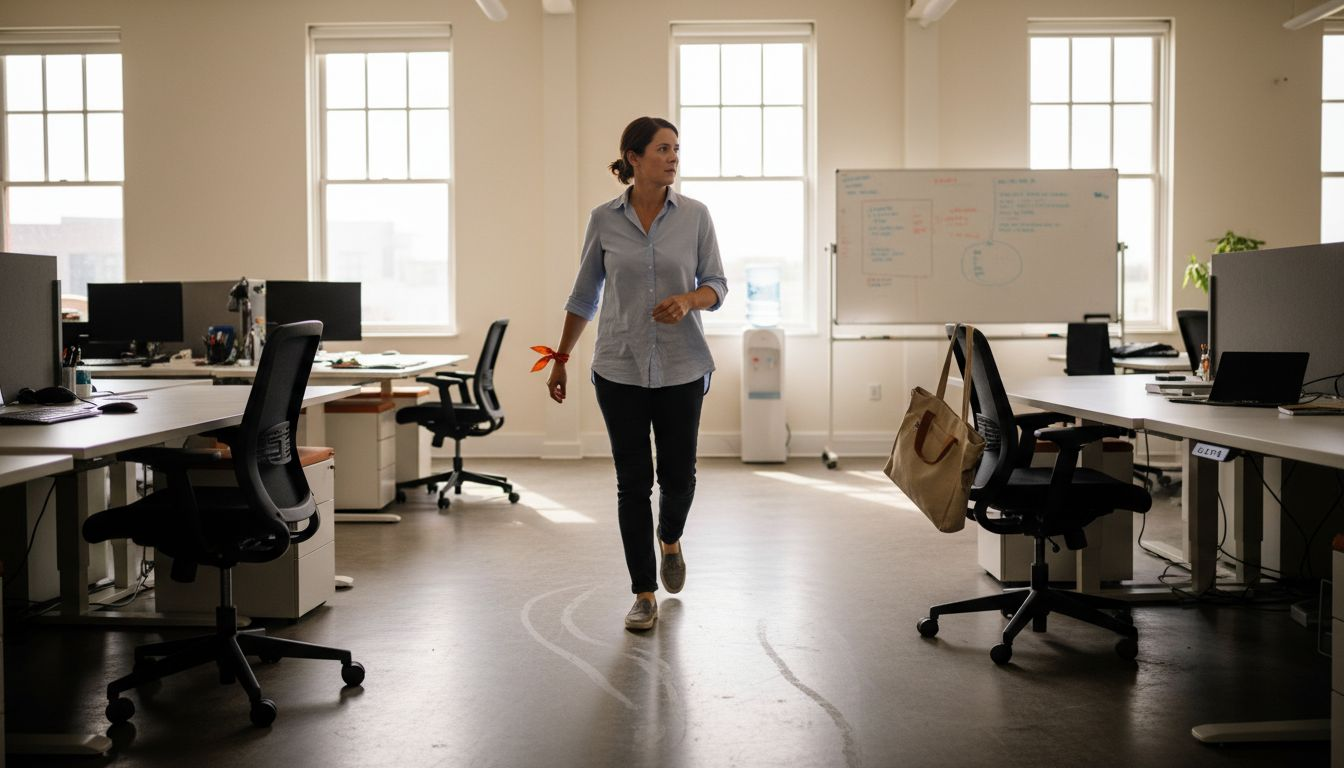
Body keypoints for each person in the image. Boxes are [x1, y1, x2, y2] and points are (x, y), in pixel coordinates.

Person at [538, 116, 727, 631]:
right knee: (632, 483)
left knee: (679, 478)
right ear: (634, 157)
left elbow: (717, 285)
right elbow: (584, 295)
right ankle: (643, 592)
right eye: (663, 149)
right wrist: (560, 359)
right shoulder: (604, 219)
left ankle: (670, 538)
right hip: (618, 366)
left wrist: (688, 300)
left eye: (676, 149)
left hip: (683, 366)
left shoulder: (695, 216)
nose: (673, 157)